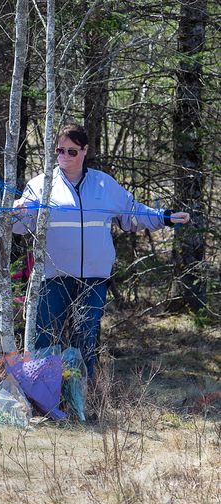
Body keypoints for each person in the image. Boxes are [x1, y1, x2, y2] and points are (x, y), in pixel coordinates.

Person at [12, 123, 189, 377]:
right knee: (46, 339)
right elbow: (19, 227)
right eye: (60, 150)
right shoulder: (41, 185)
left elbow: (133, 214)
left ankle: (84, 399)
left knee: (86, 341)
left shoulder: (104, 185)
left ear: (84, 151)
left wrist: (166, 217)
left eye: (71, 151)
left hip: (94, 280)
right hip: (53, 278)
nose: (64, 156)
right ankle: (44, 397)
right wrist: (16, 212)